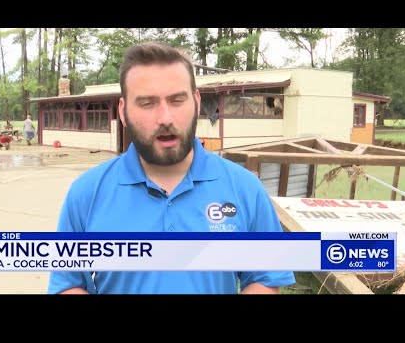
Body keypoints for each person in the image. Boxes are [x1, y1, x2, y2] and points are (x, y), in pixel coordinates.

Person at [47, 42, 296, 294]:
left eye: (177, 100)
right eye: (147, 103)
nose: (165, 118)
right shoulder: (86, 194)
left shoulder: (245, 189)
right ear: (123, 112)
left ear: (197, 102)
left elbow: (265, 277)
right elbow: (68, 284)